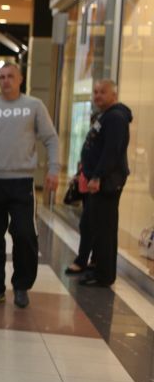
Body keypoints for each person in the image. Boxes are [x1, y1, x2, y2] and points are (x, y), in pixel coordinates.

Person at [0, 61, 59, 309]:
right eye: (1, 77)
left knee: (24, 234)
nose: (5, 80)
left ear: (20, 79)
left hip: (22, 183)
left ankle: (21, 286)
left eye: (10, 76)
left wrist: (53, 169)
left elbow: (51, 139)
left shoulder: (33, 106)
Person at [76, 79, 132, 288]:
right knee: (96, 226)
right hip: (98, 181)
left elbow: (111, 151)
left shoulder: (116, 118)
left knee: (105, 230)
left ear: (114, 95)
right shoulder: (106, 115)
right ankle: (98, 267)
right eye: (96, 91)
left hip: (106, 183)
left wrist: (97, 176)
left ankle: (104, 275)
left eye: (103, 92)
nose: (97, 95)